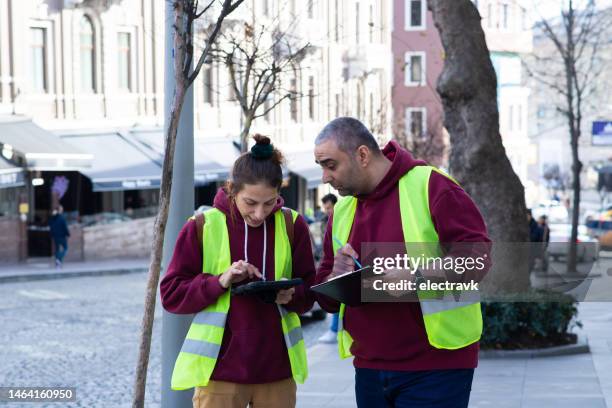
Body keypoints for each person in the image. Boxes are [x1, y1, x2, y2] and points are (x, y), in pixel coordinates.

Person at [313, 117, 491, 408]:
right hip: (369, 367)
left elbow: (478, 259)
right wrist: (336, 276)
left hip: (437, 368)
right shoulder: (342, 209)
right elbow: (327, 299)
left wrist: (417, 277)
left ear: (362, 155)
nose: (324, 177)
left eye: (331, 165)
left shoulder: (432, 186)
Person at [160, 135, 315, 408]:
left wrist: (289, 295)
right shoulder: (201, 225)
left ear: (280, 191)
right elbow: (171, 295)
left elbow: (309, 292)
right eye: (250, 202)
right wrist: (220, 281)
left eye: (269, 202)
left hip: (277, 372)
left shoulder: (293, 224)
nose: (259, 213)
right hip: (219, 374)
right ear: (231, 189)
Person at [317, 193, 339, 344]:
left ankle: (334, 329)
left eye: (329, 208)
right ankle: (334, 329)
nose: (327, 211)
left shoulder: (343, 215)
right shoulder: (325, 220)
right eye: (325, 208)